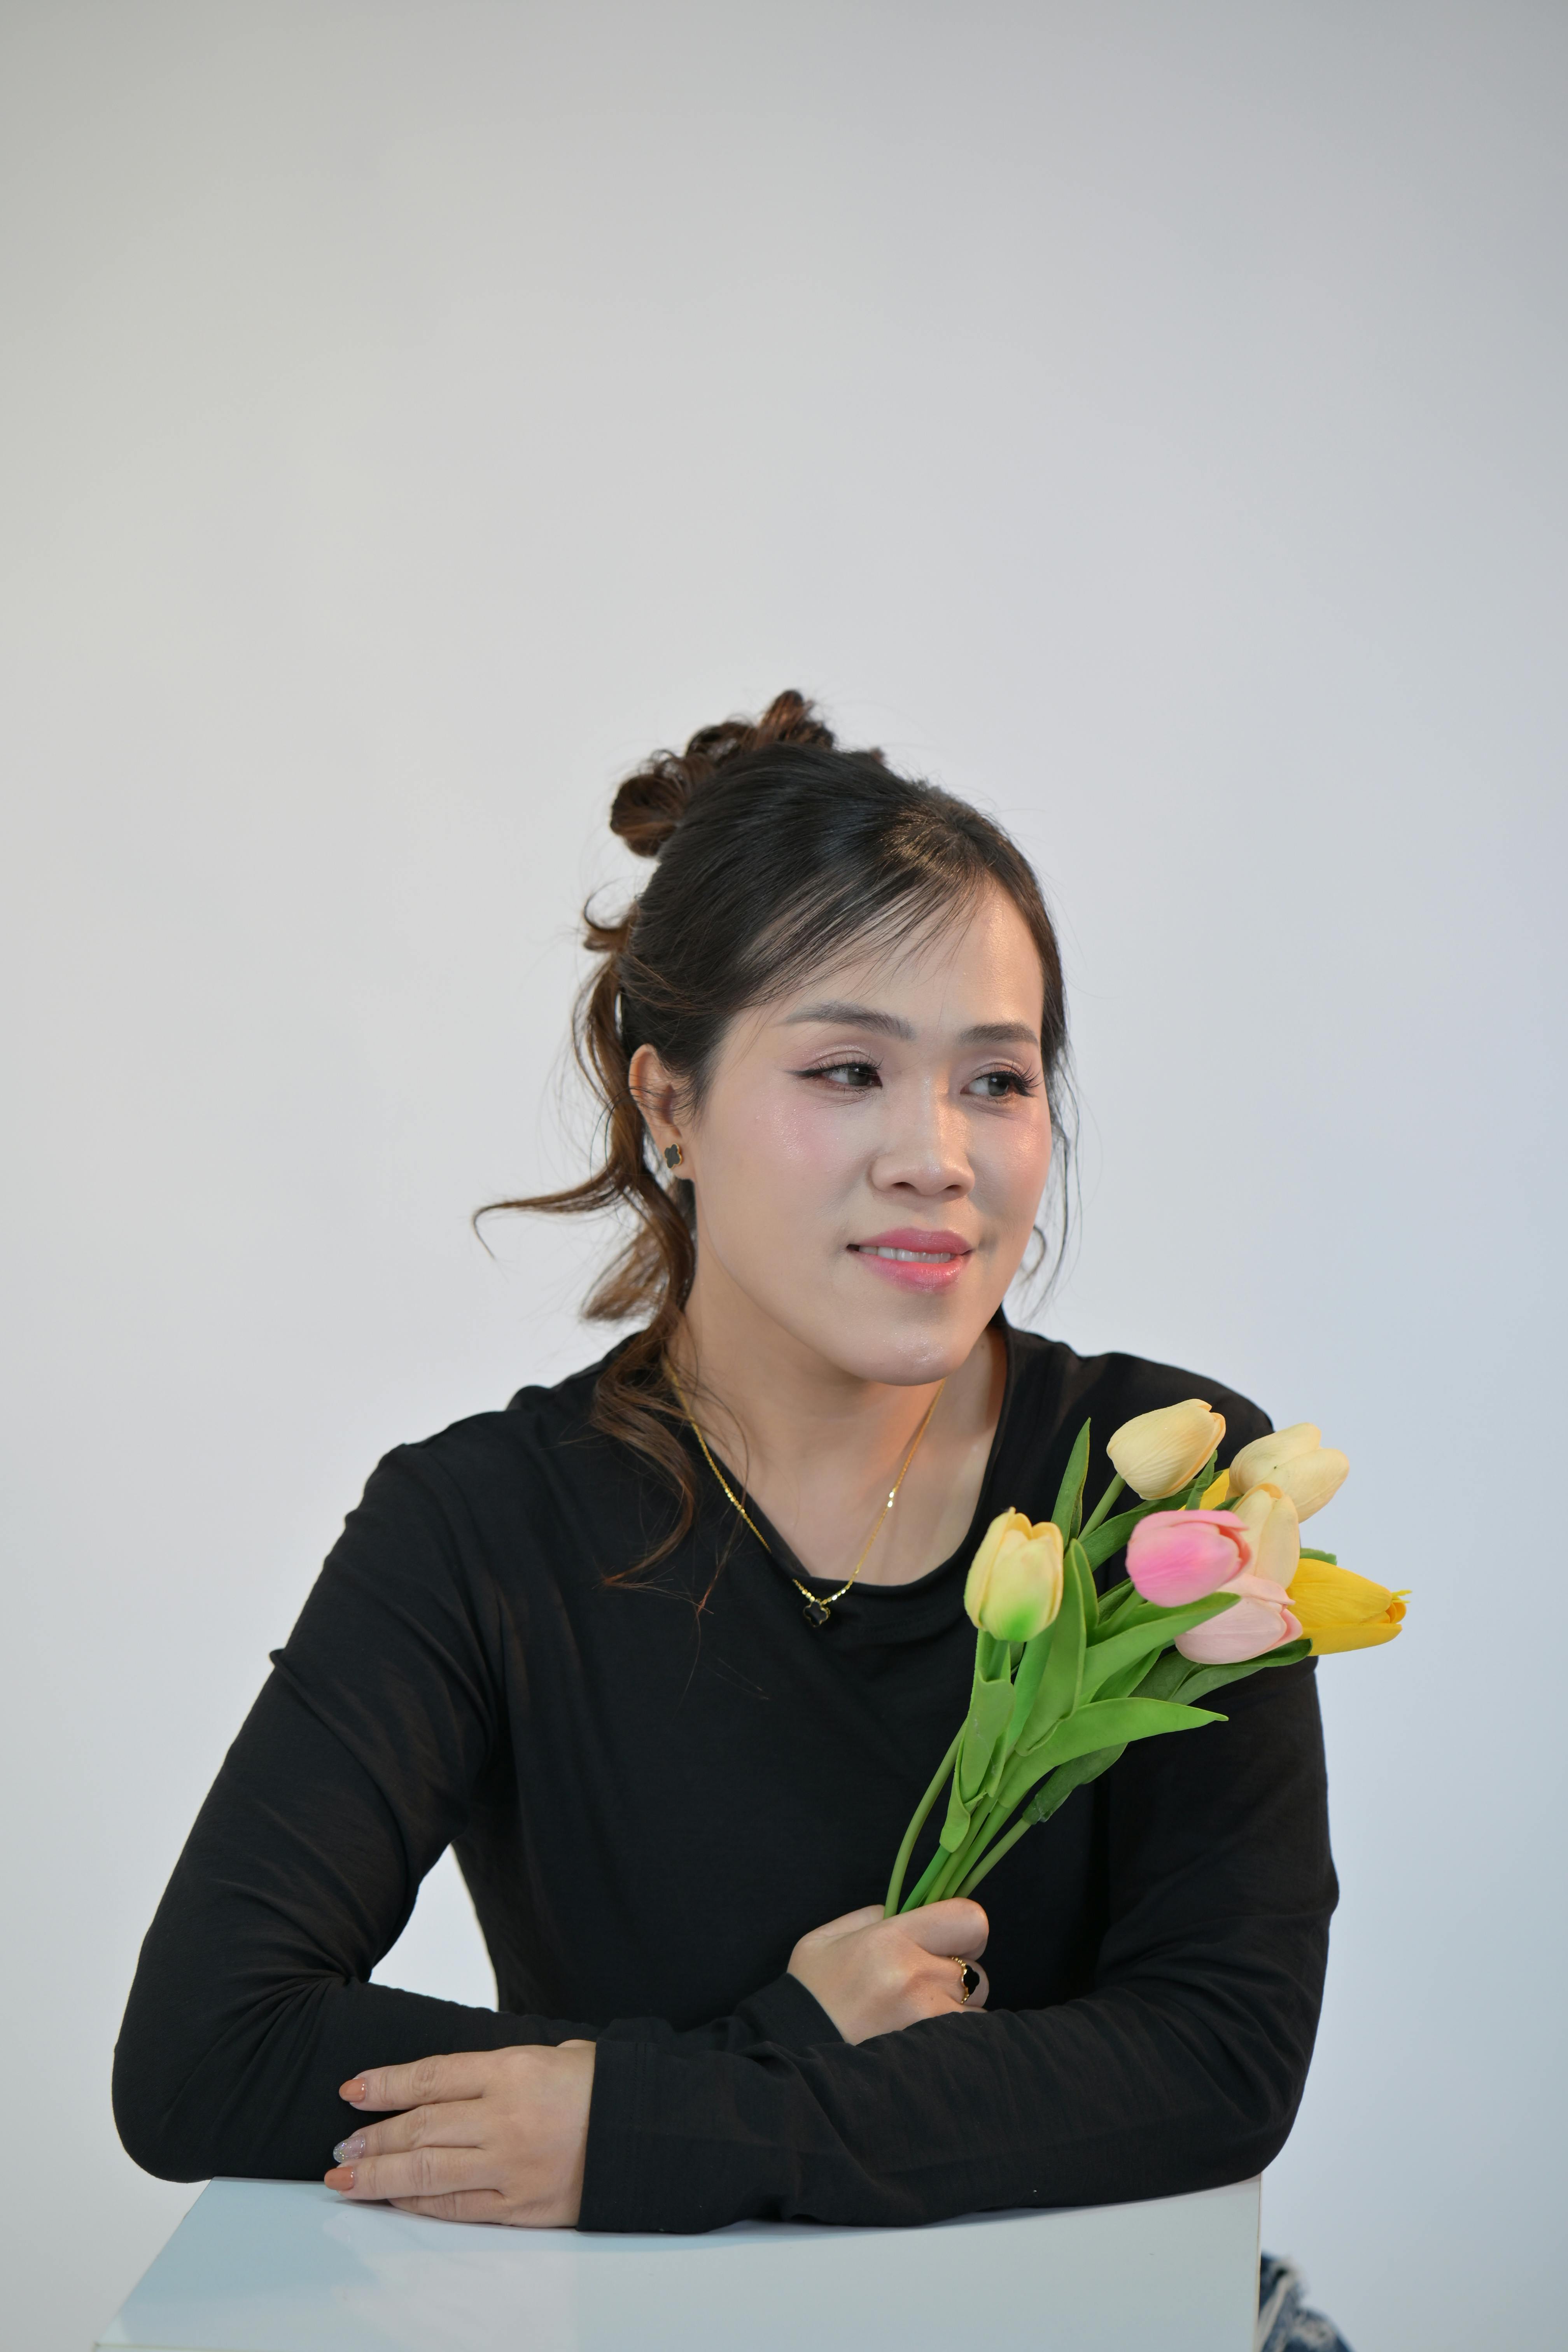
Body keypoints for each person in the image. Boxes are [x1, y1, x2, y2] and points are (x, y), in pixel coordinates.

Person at [113, 692, 1337, 2240]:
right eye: (846, 1072)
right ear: (669, 1101)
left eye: (998, 1080)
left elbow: (1222, 2058)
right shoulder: (484, 1525)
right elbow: (206, 2057)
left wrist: (665, 2123)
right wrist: (774, 2053)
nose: (938, 1157)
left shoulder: (1168, 1499)